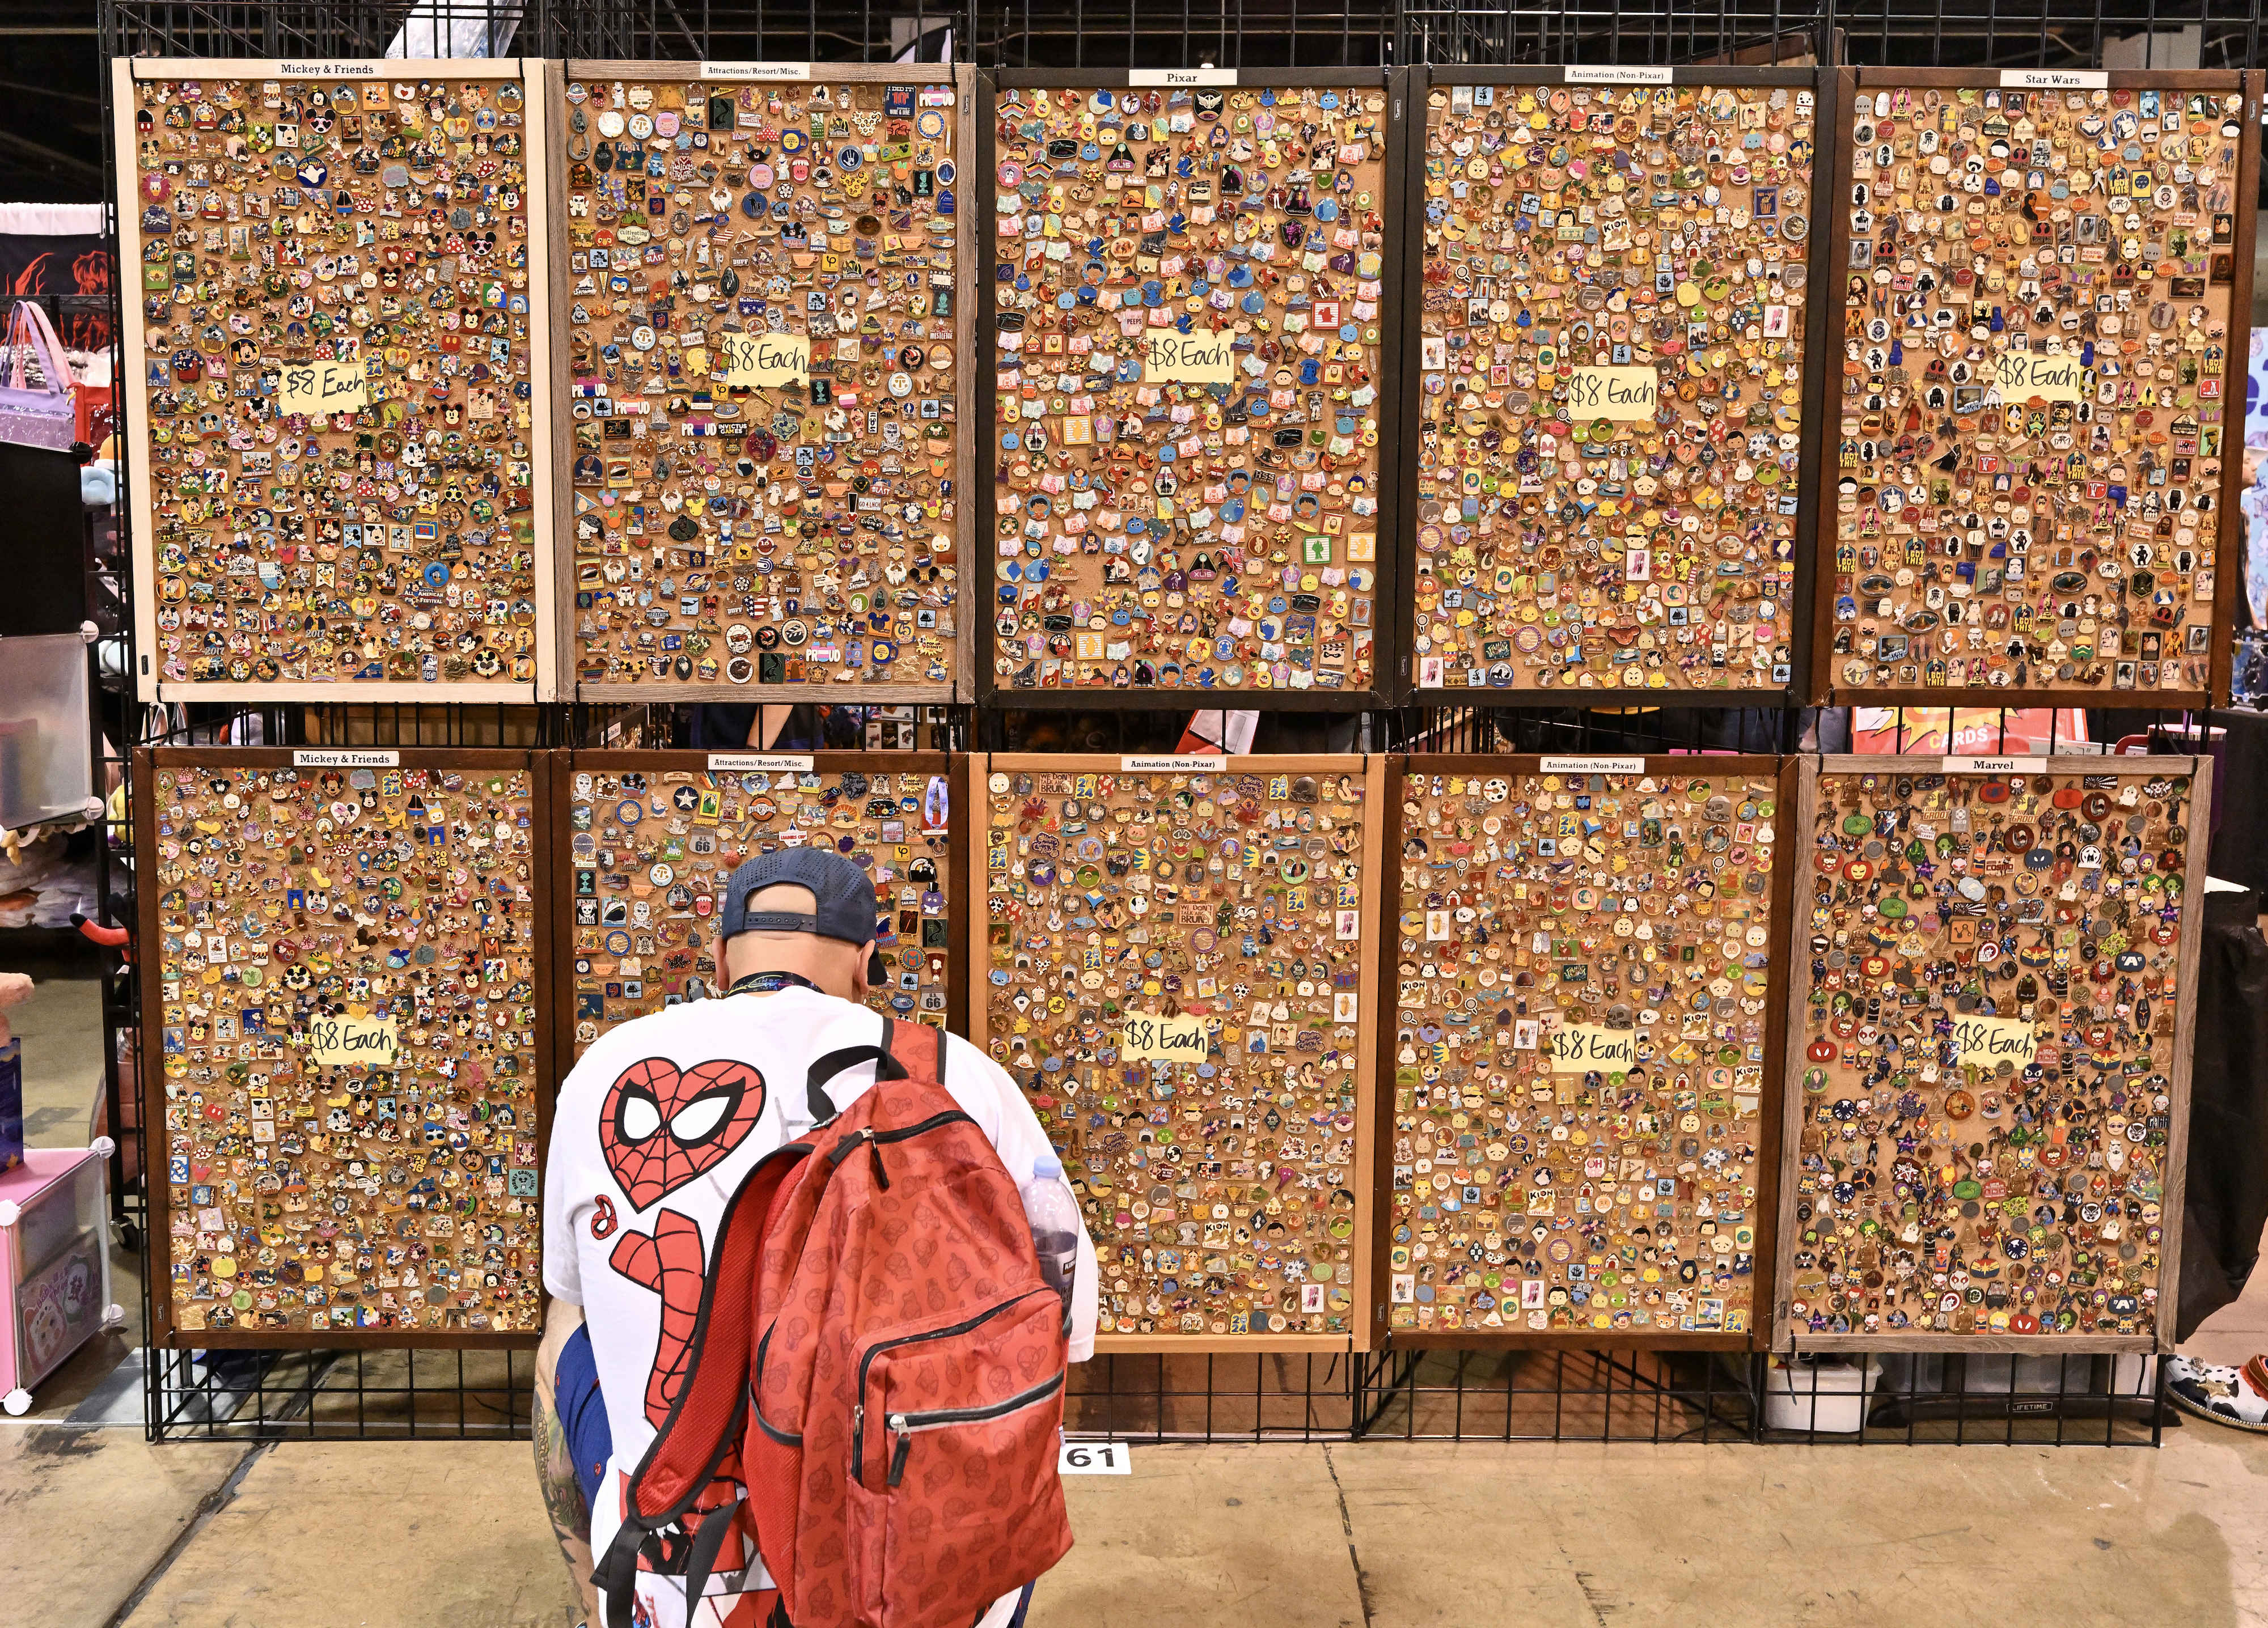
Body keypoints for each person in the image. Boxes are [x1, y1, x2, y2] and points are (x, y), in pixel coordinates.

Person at [534, 847, 1098, 1628]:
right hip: (915, 1578)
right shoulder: (962, 1077)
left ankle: (599, 1590)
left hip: (680, 1566)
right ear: (867, 962)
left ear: (722, 954)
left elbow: (574, 1295)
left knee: (566, 1329)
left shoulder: (603, 1070)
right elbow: (1061, 1340)